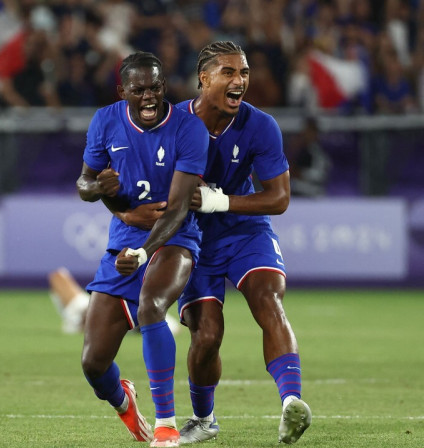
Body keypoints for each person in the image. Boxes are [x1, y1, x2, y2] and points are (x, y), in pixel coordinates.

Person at [175, 41, 312, 444]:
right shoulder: (173, 124)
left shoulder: (261, 125)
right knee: (207, 336)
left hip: (244, 230)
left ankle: (291, 404)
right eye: (229, 73)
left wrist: (219, 201)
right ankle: (204, 420)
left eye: (245, 73)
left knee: (269, 300)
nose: (240, 81)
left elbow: (280, 197)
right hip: (192, 238)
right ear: (204, 78)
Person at [77, 51, 208, 447]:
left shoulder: (188, 128)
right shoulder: (105, 120)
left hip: (174, 237)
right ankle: (124, 401)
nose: (148, 97)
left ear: (164, 87)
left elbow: (180, 207)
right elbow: (84, 184)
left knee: (152, 304)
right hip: (123, 243)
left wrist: (145, 250)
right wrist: (103, 189)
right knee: (94, 363)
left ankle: (166, 424)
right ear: (123, 91)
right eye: (139, 90)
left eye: (155, 88)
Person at [48, 267, 181, 336]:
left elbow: (172, 329)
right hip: (94, 305)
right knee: (58, 275)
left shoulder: (148, 319)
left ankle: (73, 323)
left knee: (58, 277)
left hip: (85, 314)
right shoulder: (157, 312)